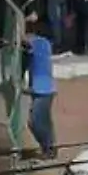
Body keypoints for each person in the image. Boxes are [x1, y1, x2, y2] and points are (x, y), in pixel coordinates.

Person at [22, 15, 57, 159]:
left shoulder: (37, 44)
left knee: (35, 122)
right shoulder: (44, 44)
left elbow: (25, 42)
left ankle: (48, 148)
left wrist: (22, 21)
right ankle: (49, 148)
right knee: (44, 121)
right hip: (44, 89)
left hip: (43, 89)